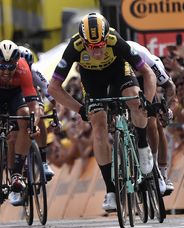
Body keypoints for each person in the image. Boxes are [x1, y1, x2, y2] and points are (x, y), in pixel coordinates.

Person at [48, 13, 157, 212]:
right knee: (98, 126)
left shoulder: (116, 40)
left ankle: (142, 146)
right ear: (83, 42)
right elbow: (53, 87)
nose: (96, 51)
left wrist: (147, 103)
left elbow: (148, 73)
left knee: (135, 99)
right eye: (91, 46)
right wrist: (79, 109)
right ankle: (111, 191)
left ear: (107, 39)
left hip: (118, 71)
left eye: (100, 46)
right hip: (91, 79)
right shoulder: (74, 47)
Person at [0, 40, 40, 206]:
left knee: (26, 117)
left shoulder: (23, 68)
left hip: (14, 94)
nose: (6, 71)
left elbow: (33, 103)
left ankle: (17, 174)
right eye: (2, 67)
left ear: (16, 64)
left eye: (11, 67)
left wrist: (35, 123)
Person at [127, 41, 177, 195]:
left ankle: (160, 171)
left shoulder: (147, 59)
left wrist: (167, 110)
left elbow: (170, 87)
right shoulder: (112, 58)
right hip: (122, 81)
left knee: (153, 123)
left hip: (146, 80)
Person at [18, 45, 56, 181]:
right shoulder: (10, 72)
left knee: (40, 117)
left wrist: (53, 106)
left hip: (32, 97)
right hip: (14, 98)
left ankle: (44, 161)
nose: (25, 71)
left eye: (27, 67)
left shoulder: (34, 71)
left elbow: (48, 89)